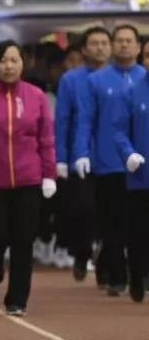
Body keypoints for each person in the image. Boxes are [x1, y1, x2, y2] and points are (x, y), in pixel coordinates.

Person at [0, 40, 57, 316]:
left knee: (22, 241)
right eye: (4, 60)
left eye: (14, 60)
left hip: (28, 181)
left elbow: (46, 139)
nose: (9, 66)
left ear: (23, 64)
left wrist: (49, 174)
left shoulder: (36, 96)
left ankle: (17, 299)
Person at [73, 24, 145, 296]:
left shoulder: (144, 79)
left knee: (138, 223)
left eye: (130, 41)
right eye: (120, 41)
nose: (124, 45)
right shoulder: (97, 81)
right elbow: (85, 120)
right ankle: (116, 273)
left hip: (141, 166)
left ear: (138, 47)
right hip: (109, 162)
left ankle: (140, 271)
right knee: (111, 222)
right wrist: (81, 152)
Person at [53, 26, 110, 281]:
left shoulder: (119, 78)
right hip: (80, 156)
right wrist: (62, 158)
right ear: (85, 49)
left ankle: (107, 261)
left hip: (113, 158)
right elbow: (63, 121)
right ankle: (82, 251)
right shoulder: (71, 80)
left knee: (111, 212)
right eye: (94, 43)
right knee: (83, 209)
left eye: (103, 43)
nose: (99, 47)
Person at [112, 65, 149, 303]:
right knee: (139, 233)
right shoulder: (132, 91)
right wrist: (128, 154)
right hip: (142, 176)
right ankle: (137, 275)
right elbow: (118, 130)